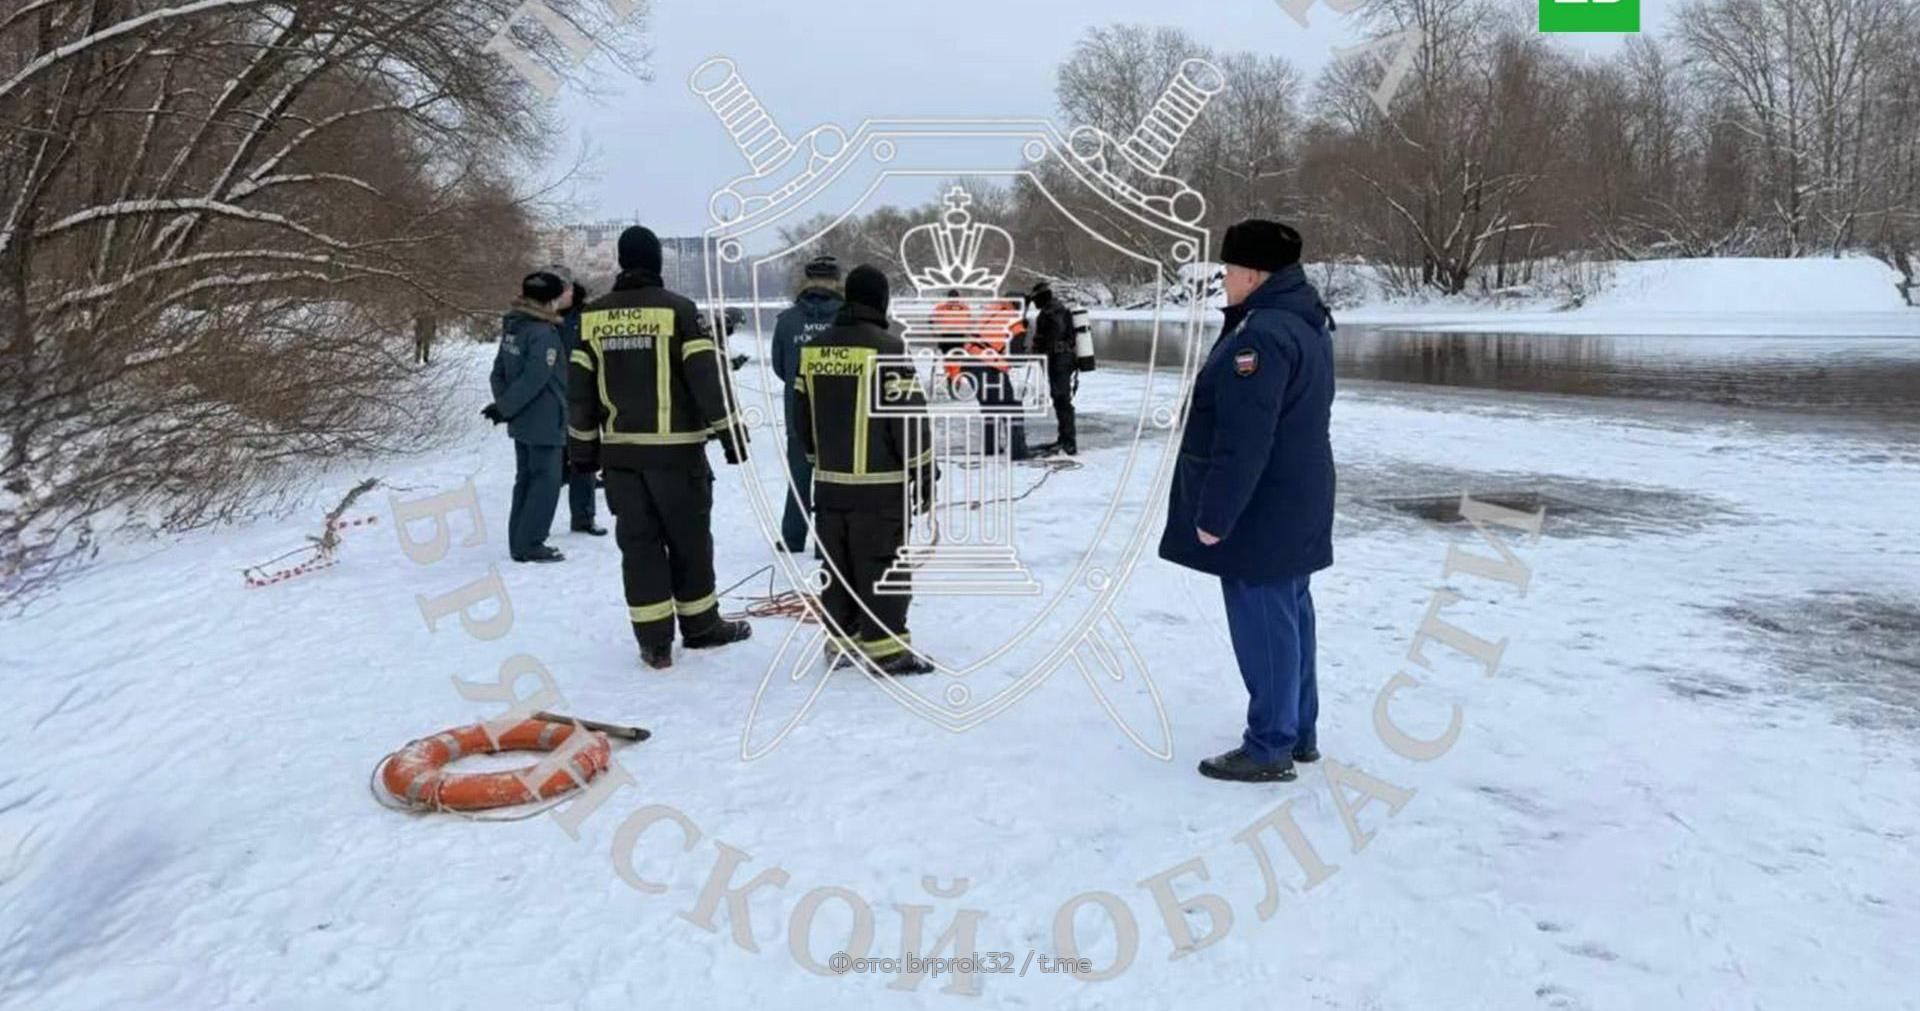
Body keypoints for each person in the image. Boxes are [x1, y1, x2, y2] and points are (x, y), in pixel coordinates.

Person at [1159, 220, 1335, 784]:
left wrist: (1215, 515)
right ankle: (1296, 731)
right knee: (1290, 612)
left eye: (1229, 270)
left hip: (1263, 505)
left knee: (1264, 619)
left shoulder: (1261, 336)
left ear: (1254, 275)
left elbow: (1245, 437)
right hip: (1297, 494)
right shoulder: (1305, 319)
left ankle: (1269, 746)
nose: (1224, 280)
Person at [567, 227, 753, 670]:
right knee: (689, 542)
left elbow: (579, 394)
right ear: (657, 262)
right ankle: (701, 627)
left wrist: (582, 452)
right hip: (677, 456)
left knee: (639, 547)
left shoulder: (592, 318)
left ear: (621, 261)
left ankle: (654, 643)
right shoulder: (679, 311)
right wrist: (732, 435)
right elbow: (707, 379)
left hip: (621, 459)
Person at [790, 265, 937, 677]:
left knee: (837, 567)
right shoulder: (889, 349)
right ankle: (888, 651)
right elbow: (908, 419)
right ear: (880, 301)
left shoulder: (814, 350)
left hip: (829, 486)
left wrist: (817, 460)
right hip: (879, 488)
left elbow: (800, 415)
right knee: (881, 564)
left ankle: (841, 644)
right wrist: (924, 471)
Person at [485, 267, 573, 564]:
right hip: (545, 419)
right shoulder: (543, 333)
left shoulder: (514, 327)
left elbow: (498, 373)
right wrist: (506, 407)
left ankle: (519, 541)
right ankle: (531, 542)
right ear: (549, 299)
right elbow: (536, 377)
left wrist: (506, 406)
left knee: (525, 479)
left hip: (522, 420)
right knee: (545, 482)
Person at [768, 255, 844, 554]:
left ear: (806, 280)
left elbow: (779, 366)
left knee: (799, 478)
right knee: (832, 480)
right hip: (837, 414)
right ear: (837, 281)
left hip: (798, 413)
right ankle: (826, 542)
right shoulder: (846, 319)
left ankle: (793, 538)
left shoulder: (787, 321)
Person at [557, 277, 607, 538]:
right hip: (556, 399)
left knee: (583, 458)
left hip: (581, 397)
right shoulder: (545, 320)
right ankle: (538, 524)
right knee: (552, 466)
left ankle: (584, 517)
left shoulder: (587, 318)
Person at [1028, 280, 1078, 457]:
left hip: (1059, 360)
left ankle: (1068, 442)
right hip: (1062, 359)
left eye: (1035, 300)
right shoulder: (1058, 309)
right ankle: (1065, 438)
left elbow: (1051, 337)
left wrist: (1038, 347)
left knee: (1061, 399)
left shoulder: (1050, 313)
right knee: (1060, 399)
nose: (1034, 303)